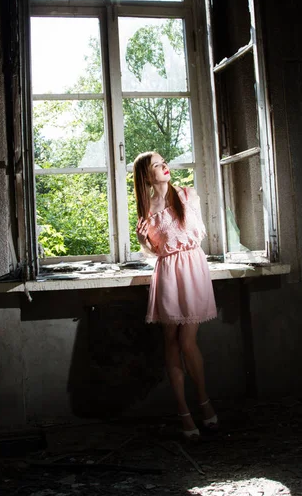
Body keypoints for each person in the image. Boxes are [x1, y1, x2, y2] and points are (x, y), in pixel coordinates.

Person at [133, 151, 218, 441]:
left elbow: (196, 233)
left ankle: (203, 400)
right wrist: (143, 242)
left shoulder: (187, 195)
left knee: (187, 340)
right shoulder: (146, 210)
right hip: (168, 272)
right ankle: (184, 411)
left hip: (193, 269)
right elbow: (157, 250)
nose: (164, 166)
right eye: (156, 165)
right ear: (146, 175)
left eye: (163, 161)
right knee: (170, 341)